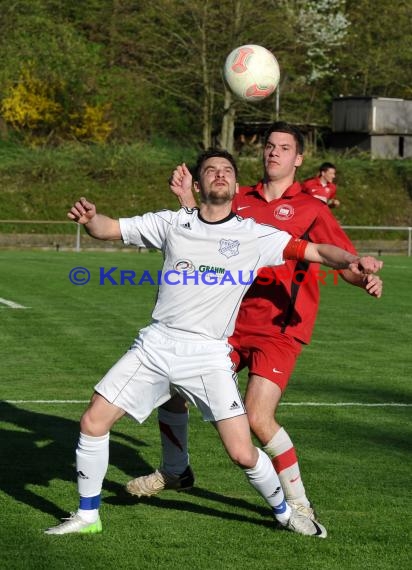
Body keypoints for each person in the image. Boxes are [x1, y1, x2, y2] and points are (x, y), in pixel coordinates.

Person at [45, 149, 382, 538]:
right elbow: (108, 228)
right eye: (210, 171)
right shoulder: (171, 222)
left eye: (226, 171)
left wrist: (353, 261)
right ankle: (88, 516)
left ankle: (287, 512)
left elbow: (318, 250)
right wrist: (91, 219)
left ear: (236, 187)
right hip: (156, 344)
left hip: (207, 355)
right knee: (93, 421)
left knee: (241, 452)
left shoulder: (254, 235)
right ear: (198, 183)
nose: (219, 175)